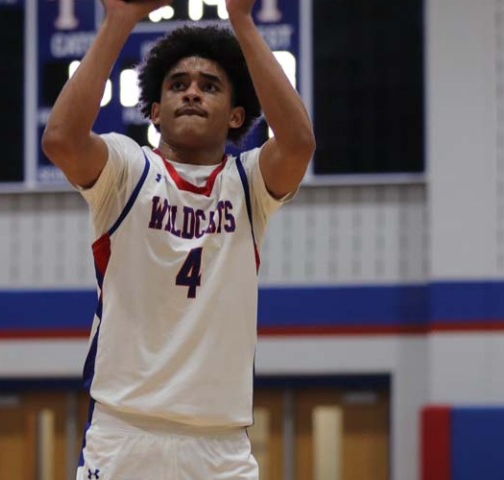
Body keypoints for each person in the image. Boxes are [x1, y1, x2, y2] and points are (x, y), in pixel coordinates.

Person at [42, 0, 315, 478]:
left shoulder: (248, 184)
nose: (191, 92)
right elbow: (61, 139)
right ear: (154, 111)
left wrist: (242, 21)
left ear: (236, 116)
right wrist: (119, 21)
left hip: (219, 446)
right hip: (124, 434)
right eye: (177, 85)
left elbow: (298, 144)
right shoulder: (127, 170)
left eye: (210, 86)